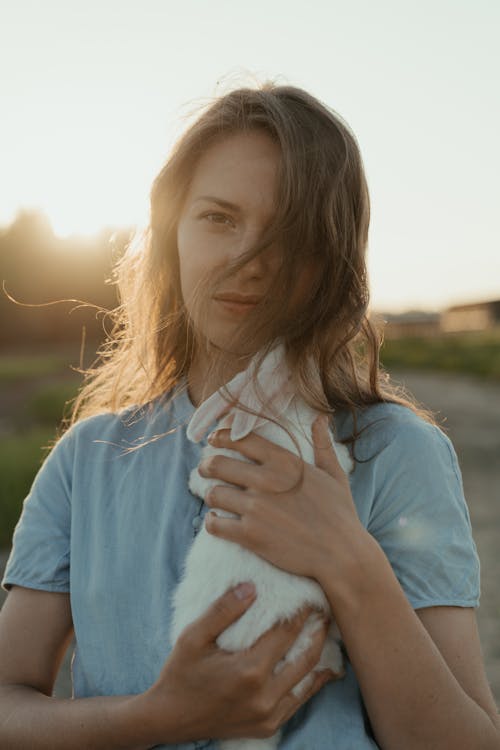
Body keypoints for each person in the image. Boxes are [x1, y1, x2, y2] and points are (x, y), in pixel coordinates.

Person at [0, 81, 498, 750]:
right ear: (168, 231)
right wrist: (156, 717)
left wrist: (348, 560)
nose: (249, 261)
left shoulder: (397, 452)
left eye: (289, 232)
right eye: (218, 218)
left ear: (335, 257)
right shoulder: (87, 460)